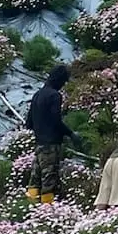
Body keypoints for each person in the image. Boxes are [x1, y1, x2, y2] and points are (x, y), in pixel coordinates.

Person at [24, 64, 72, 205]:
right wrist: (71, 134)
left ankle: (30, 207)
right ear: (59, 80)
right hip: (51, 145)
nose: (63, 85)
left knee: (35, 179)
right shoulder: (54, 96)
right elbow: (56, 120)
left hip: (39, 145)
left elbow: (28, 123)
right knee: (49, 181)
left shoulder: (37, 95)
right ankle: (47, 211)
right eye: (63, 81)